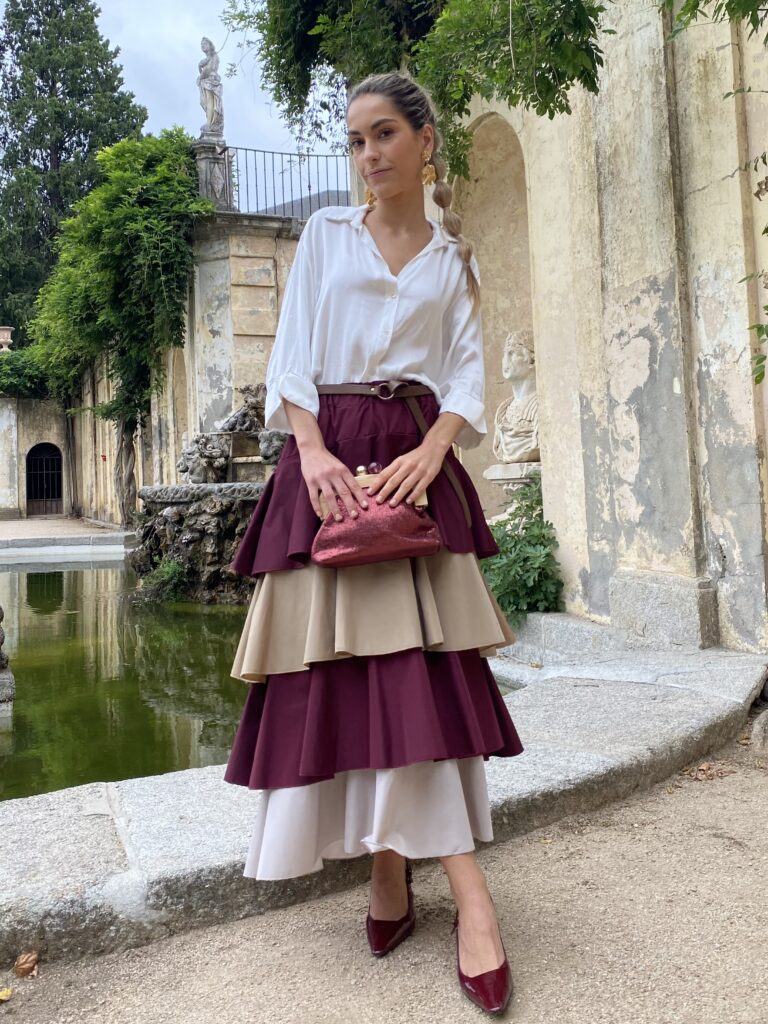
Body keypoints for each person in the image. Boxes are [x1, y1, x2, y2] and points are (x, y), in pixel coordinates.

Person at [224, 71, 524, 1017]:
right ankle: (389, 876)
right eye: (355, 140)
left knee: (416, 681)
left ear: (426, 138)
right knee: (353, 678)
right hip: (327, 470)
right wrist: (308, 452)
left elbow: (468, 378)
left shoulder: (455, 258)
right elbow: (292, 356)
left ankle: (468, 904)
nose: (368, 156)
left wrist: (435, 451)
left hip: (413, 474)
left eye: (384, 134)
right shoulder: (325, 236)